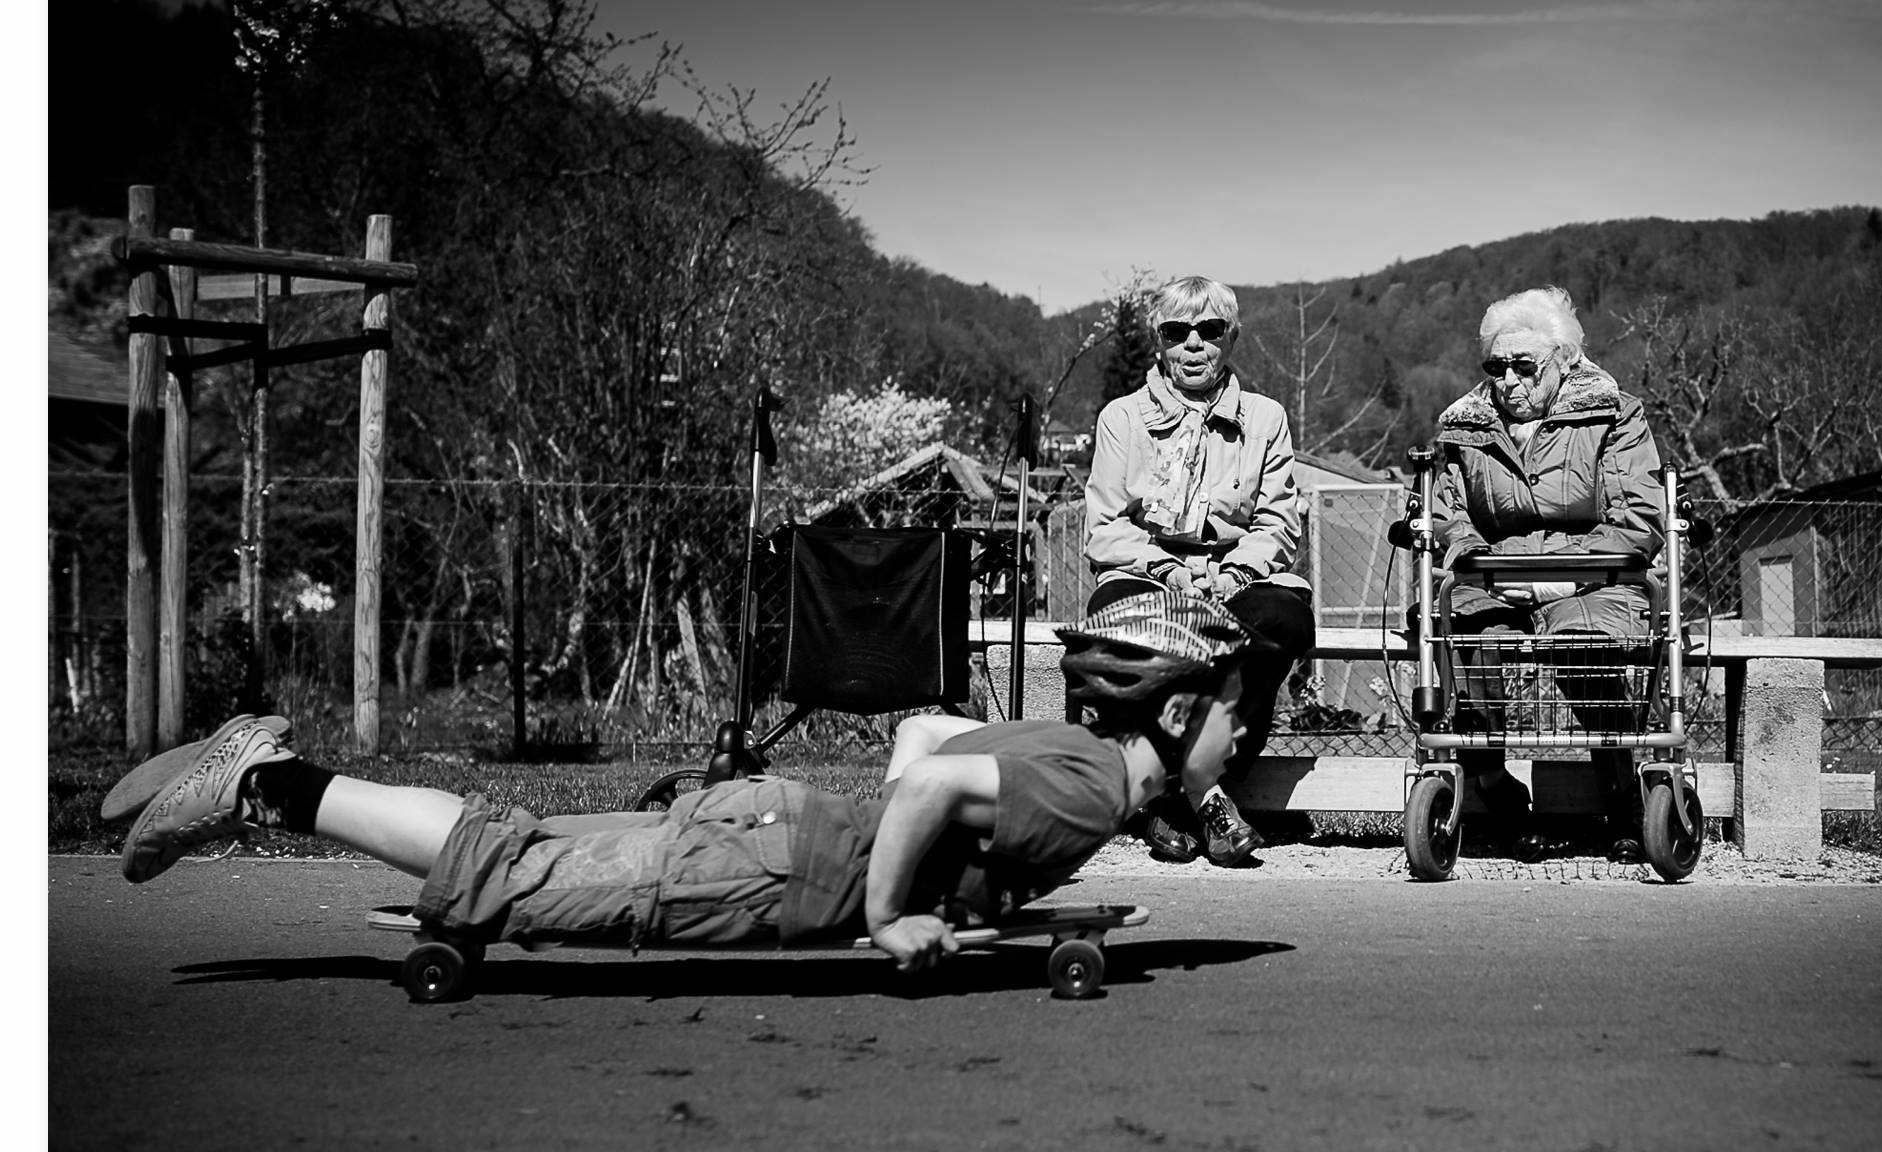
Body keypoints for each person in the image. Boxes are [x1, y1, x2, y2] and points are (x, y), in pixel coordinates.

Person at [111, 590, 1252, 973]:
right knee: (502, 880)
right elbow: (916, 800)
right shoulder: (1094, 790)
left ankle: (264, 768)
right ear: (1181, 711)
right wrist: (896, 913)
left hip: (769, 832)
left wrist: (956, 877)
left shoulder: (1053, 750)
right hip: (763, 870)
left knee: (513, 842)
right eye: (1236, 713)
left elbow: (918, 747)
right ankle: (256, 781)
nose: (1241, 736)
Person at [1083, 275, 1314, 868]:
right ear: (1158, 342)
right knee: (1132, 622)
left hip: (1234, 577)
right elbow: (1105, 528)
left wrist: (1236, 572)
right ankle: (1201, 798)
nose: (1192, 344)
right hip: (1147, 573)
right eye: (1176, 331)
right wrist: (1166, 568)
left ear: (1230, 340)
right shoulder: (1122, 418)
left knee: (1281, 619)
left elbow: (1280, 523)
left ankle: (1184, 791)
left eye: (1208, 331)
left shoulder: (1265, 418)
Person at [1429, 285, 1665, 849]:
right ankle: (1490, 786)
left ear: (1562, 360)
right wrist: (1482, 565)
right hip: (1497, 575)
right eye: (1495, 365)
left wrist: (1553, 578)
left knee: (1588, 643)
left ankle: (1624, 795)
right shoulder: (1466, 428)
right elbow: (1450, 518)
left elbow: (1638, 519)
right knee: (1467, 632)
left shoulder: (1613, 414)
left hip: (1594, 575)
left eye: (1522, 365)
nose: (1506, 380)